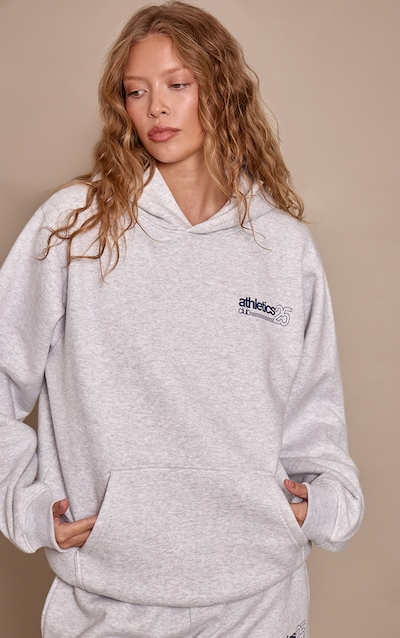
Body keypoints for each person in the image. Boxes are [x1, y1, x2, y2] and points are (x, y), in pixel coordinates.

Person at [0, 2, 364, 637]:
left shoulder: (283, 247)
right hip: (108, 603)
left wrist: (326, 505)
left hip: (260, 603)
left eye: (177, 84)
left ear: (220, 90)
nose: (156, 109)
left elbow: (314, 411)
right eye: (136, 91)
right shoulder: (76, 226)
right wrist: (23, 505)